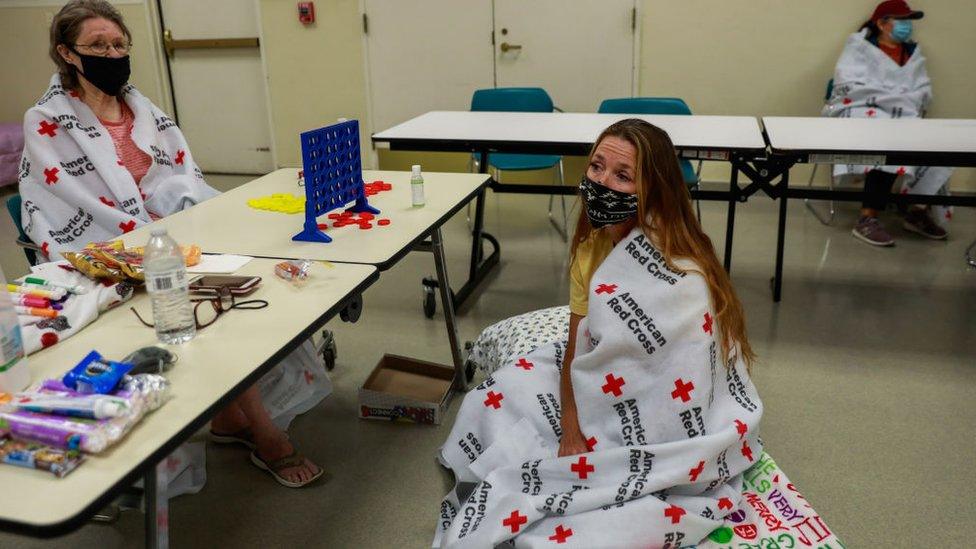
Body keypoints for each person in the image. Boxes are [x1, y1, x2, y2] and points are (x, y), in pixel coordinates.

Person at [19, 0, 322, 487]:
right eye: (98, 45)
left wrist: (198, 223)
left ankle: (228, 417)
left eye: (119, 44)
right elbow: (66, 204)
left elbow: (181, 180)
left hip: (172, 236)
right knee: (207, 308)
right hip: (103, 251)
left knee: (260, 278)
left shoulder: (142, 109)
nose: (113, 53)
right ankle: (266, 436)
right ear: (67, 53)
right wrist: (143, 240)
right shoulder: (46, 120)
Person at [434, 119, 763, 547]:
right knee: (494, 393)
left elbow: (684, 371)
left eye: (622, 175)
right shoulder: (591, 250)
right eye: (596, 167)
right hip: (599, 381)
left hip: (668, 413)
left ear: (653, 189)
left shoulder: (682, 267)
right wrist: (571, 428)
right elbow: (576, 346)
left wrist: (617, 433)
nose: (602, 182)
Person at [823, 0, 952, 247]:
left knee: (936, 144)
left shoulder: (913, 53)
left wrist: (904, 102)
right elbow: (847, 86)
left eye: (909, 21)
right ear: (881, 23)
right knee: (885, 143)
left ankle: (916, 211)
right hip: (864, 111)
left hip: (905, 114)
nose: (907, 26)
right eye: (901, 20)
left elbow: (922, 89)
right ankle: (867, 218)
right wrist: (890, 99)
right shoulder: (859, 48)